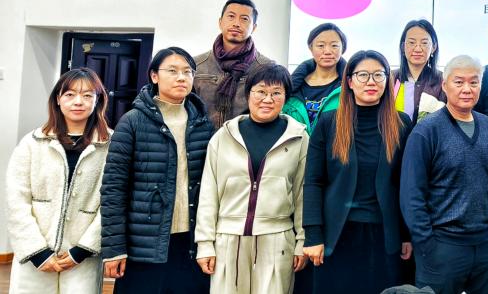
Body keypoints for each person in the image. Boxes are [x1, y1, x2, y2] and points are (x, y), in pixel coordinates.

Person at [101, 47, 215, 293]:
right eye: (172, 71)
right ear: (154, 76)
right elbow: (113, 188)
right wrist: (114, 248)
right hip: (144, 243)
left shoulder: (203, 123)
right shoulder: (132, 121)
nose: (181, 77)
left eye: (187, 72)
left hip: (190, 242)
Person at [303, 50, 413, 294]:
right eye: (363, 75)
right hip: (336, 235)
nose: (371, 81)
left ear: (387, 81)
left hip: (384, 236)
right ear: (350, 82)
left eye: (378, 75)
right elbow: (313, 181)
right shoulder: (329, 123)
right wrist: (313, 235)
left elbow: (405, 184)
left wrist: (406, 235)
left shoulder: (401, 124)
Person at [195, 64, 309, 293]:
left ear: (286, 97)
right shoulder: (224, 136)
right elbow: (208, 193)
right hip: (228, 239)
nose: (268, 99)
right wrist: (205, 243)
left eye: (276, 93)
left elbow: (302, 194)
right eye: (261, 91)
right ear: (248, 94)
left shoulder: (298, 137)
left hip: (277, 239)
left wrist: (301, 241)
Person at [6, 68, 111, 294]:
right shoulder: (32, 143)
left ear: (98, 100)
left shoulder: (111, 145)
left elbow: (114, 202)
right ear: (58, 99)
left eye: (87, 95)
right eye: (70, 94)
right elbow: (16, 200)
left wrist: (82, 250)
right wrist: (37, 252)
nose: (78, 102)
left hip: (82, 256)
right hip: (35, 253)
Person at [400, 55, 488, 294]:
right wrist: (427, 245)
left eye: (474, 82)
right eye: (459, 82)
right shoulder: (426, 131)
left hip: (485, 245)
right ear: (444, 85)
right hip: (442, 246)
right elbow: (411, 194)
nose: (467, 89)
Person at [193, 0, 274, 127]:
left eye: (244, 19)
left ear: (254, 27)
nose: (236, 23)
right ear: (220, 22)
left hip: (245, 138)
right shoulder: (196, 65)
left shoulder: (266, 67)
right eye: (231, 16)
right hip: (204, 138)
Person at [283, 22, 348, 134]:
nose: (327, 51)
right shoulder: (292, 85)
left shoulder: (350, 87)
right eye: (321, 45)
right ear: (311, 48)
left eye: (334, 45)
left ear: (343, 48)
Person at [393, 19, 446, 125]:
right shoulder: (390, 78)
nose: (417, 49)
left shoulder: (443, 81)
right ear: (403, 47)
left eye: (424, 43)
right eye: (412, 43)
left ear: (433, 47)